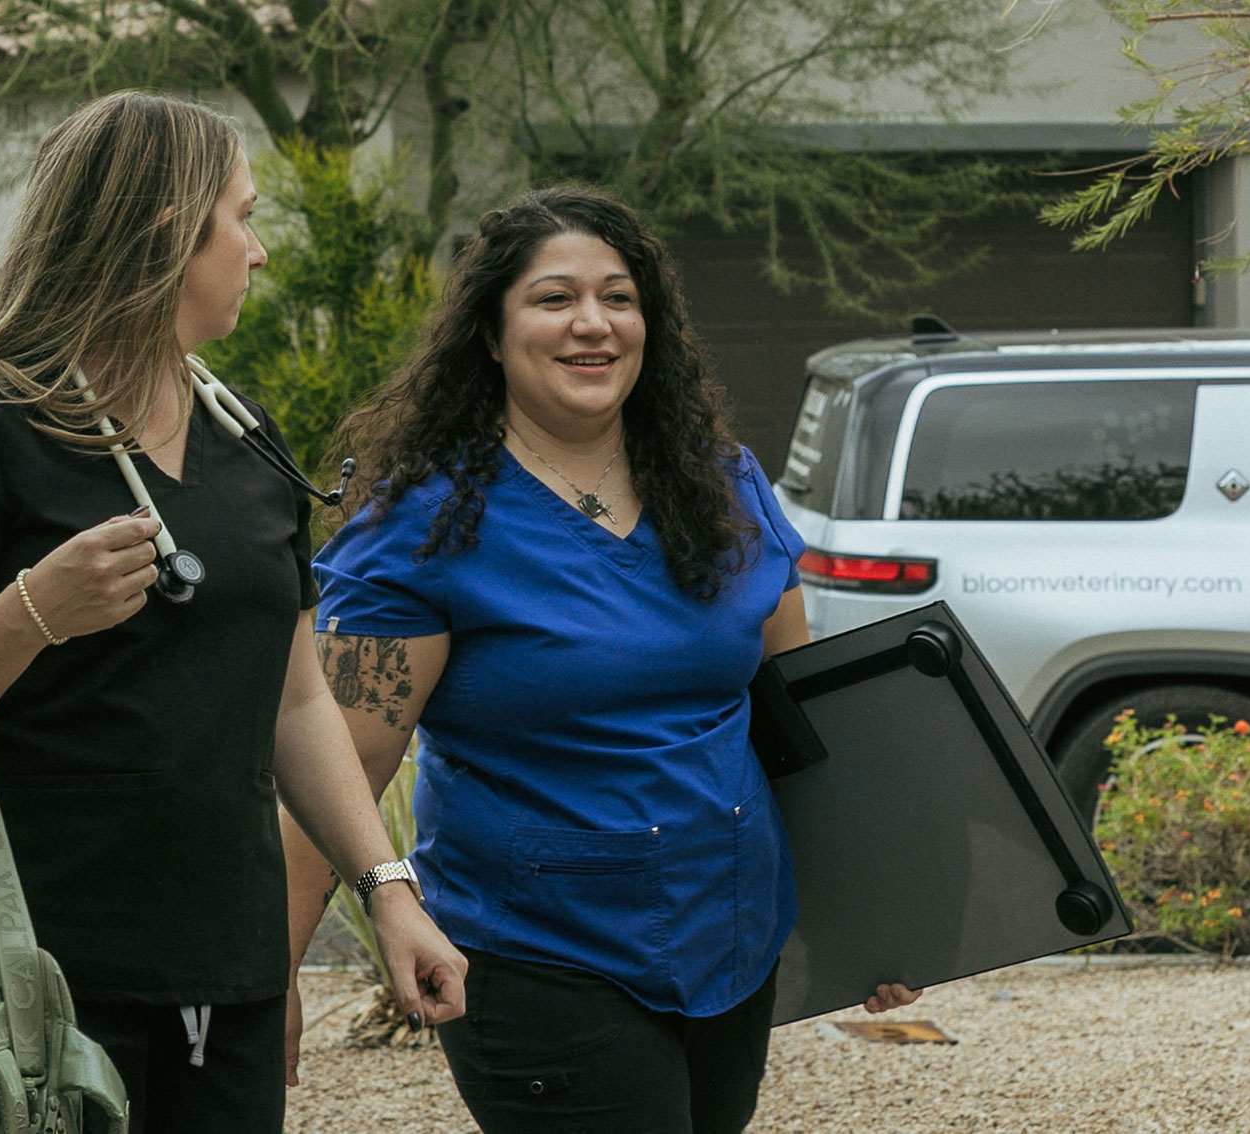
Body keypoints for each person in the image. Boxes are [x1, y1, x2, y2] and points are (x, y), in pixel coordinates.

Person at [0, 90, 466, 1134]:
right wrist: (33, 610)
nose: (259, 251)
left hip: (222, 969)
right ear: (163, 231)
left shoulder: (245, 439)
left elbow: (300, 704)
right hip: (22, 979)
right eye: (244, 215)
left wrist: (387, 889)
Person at [288, 185, 917, 1133]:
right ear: (492, 337)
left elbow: (799, 722)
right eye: (553, 299)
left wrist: (869, 921)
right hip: (535, 952)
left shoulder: (725, 488)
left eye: (619, 298)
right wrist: (270, 971)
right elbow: (335, 761)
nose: (593, 324)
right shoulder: (422, 526)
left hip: (729, 941)